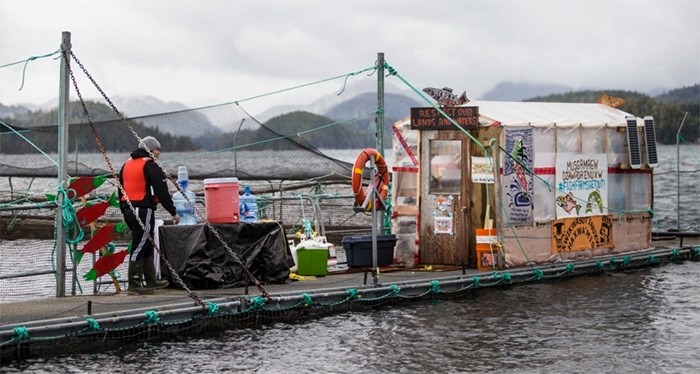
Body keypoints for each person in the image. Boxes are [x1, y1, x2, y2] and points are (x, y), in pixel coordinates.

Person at [118, 136, 180, 295]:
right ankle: (134, 283)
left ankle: (150, 280)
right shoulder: (151, 165)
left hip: (129, 208)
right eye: (157, 149)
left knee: (147, 242)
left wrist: (124, 209)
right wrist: (173, 212)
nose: (159, 153)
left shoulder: (126, 164)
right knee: (140, 244)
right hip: (142, 209)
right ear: (151, 150)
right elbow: (162, 192)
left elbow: (120, 190)